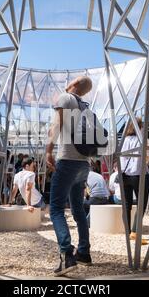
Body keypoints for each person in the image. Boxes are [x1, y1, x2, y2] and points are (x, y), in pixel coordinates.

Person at [46, 76, 93, 276]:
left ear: (74, 84)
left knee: (56, 208)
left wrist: (48, 150)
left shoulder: (66, 98)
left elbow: (57, 125)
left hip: (67, 160)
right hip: (84, 163)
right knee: (78, 210)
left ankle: (67, 255)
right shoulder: (86, 107)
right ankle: (84, 252)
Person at [120, 117, 149, 244]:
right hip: (138, 174)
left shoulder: (124, 140)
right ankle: (135, 231)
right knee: (141, 203)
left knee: (127, 204)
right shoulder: (143, 140)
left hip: (124, 175)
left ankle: (127, 233)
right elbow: (147, 158)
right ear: (141, 126)